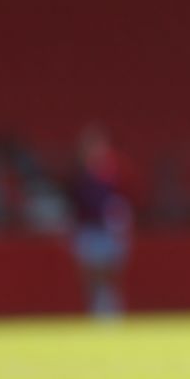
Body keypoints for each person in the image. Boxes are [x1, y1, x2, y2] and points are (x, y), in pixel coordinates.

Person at [67, 125, 134, 318]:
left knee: (110, 274)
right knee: (91, 276)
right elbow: (75, 204)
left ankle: (111, 311)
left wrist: (120, 224)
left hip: (108, 230)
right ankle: (96, 310)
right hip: (88, 230)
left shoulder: (113, 171)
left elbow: (122, 201)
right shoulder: (79, 173)